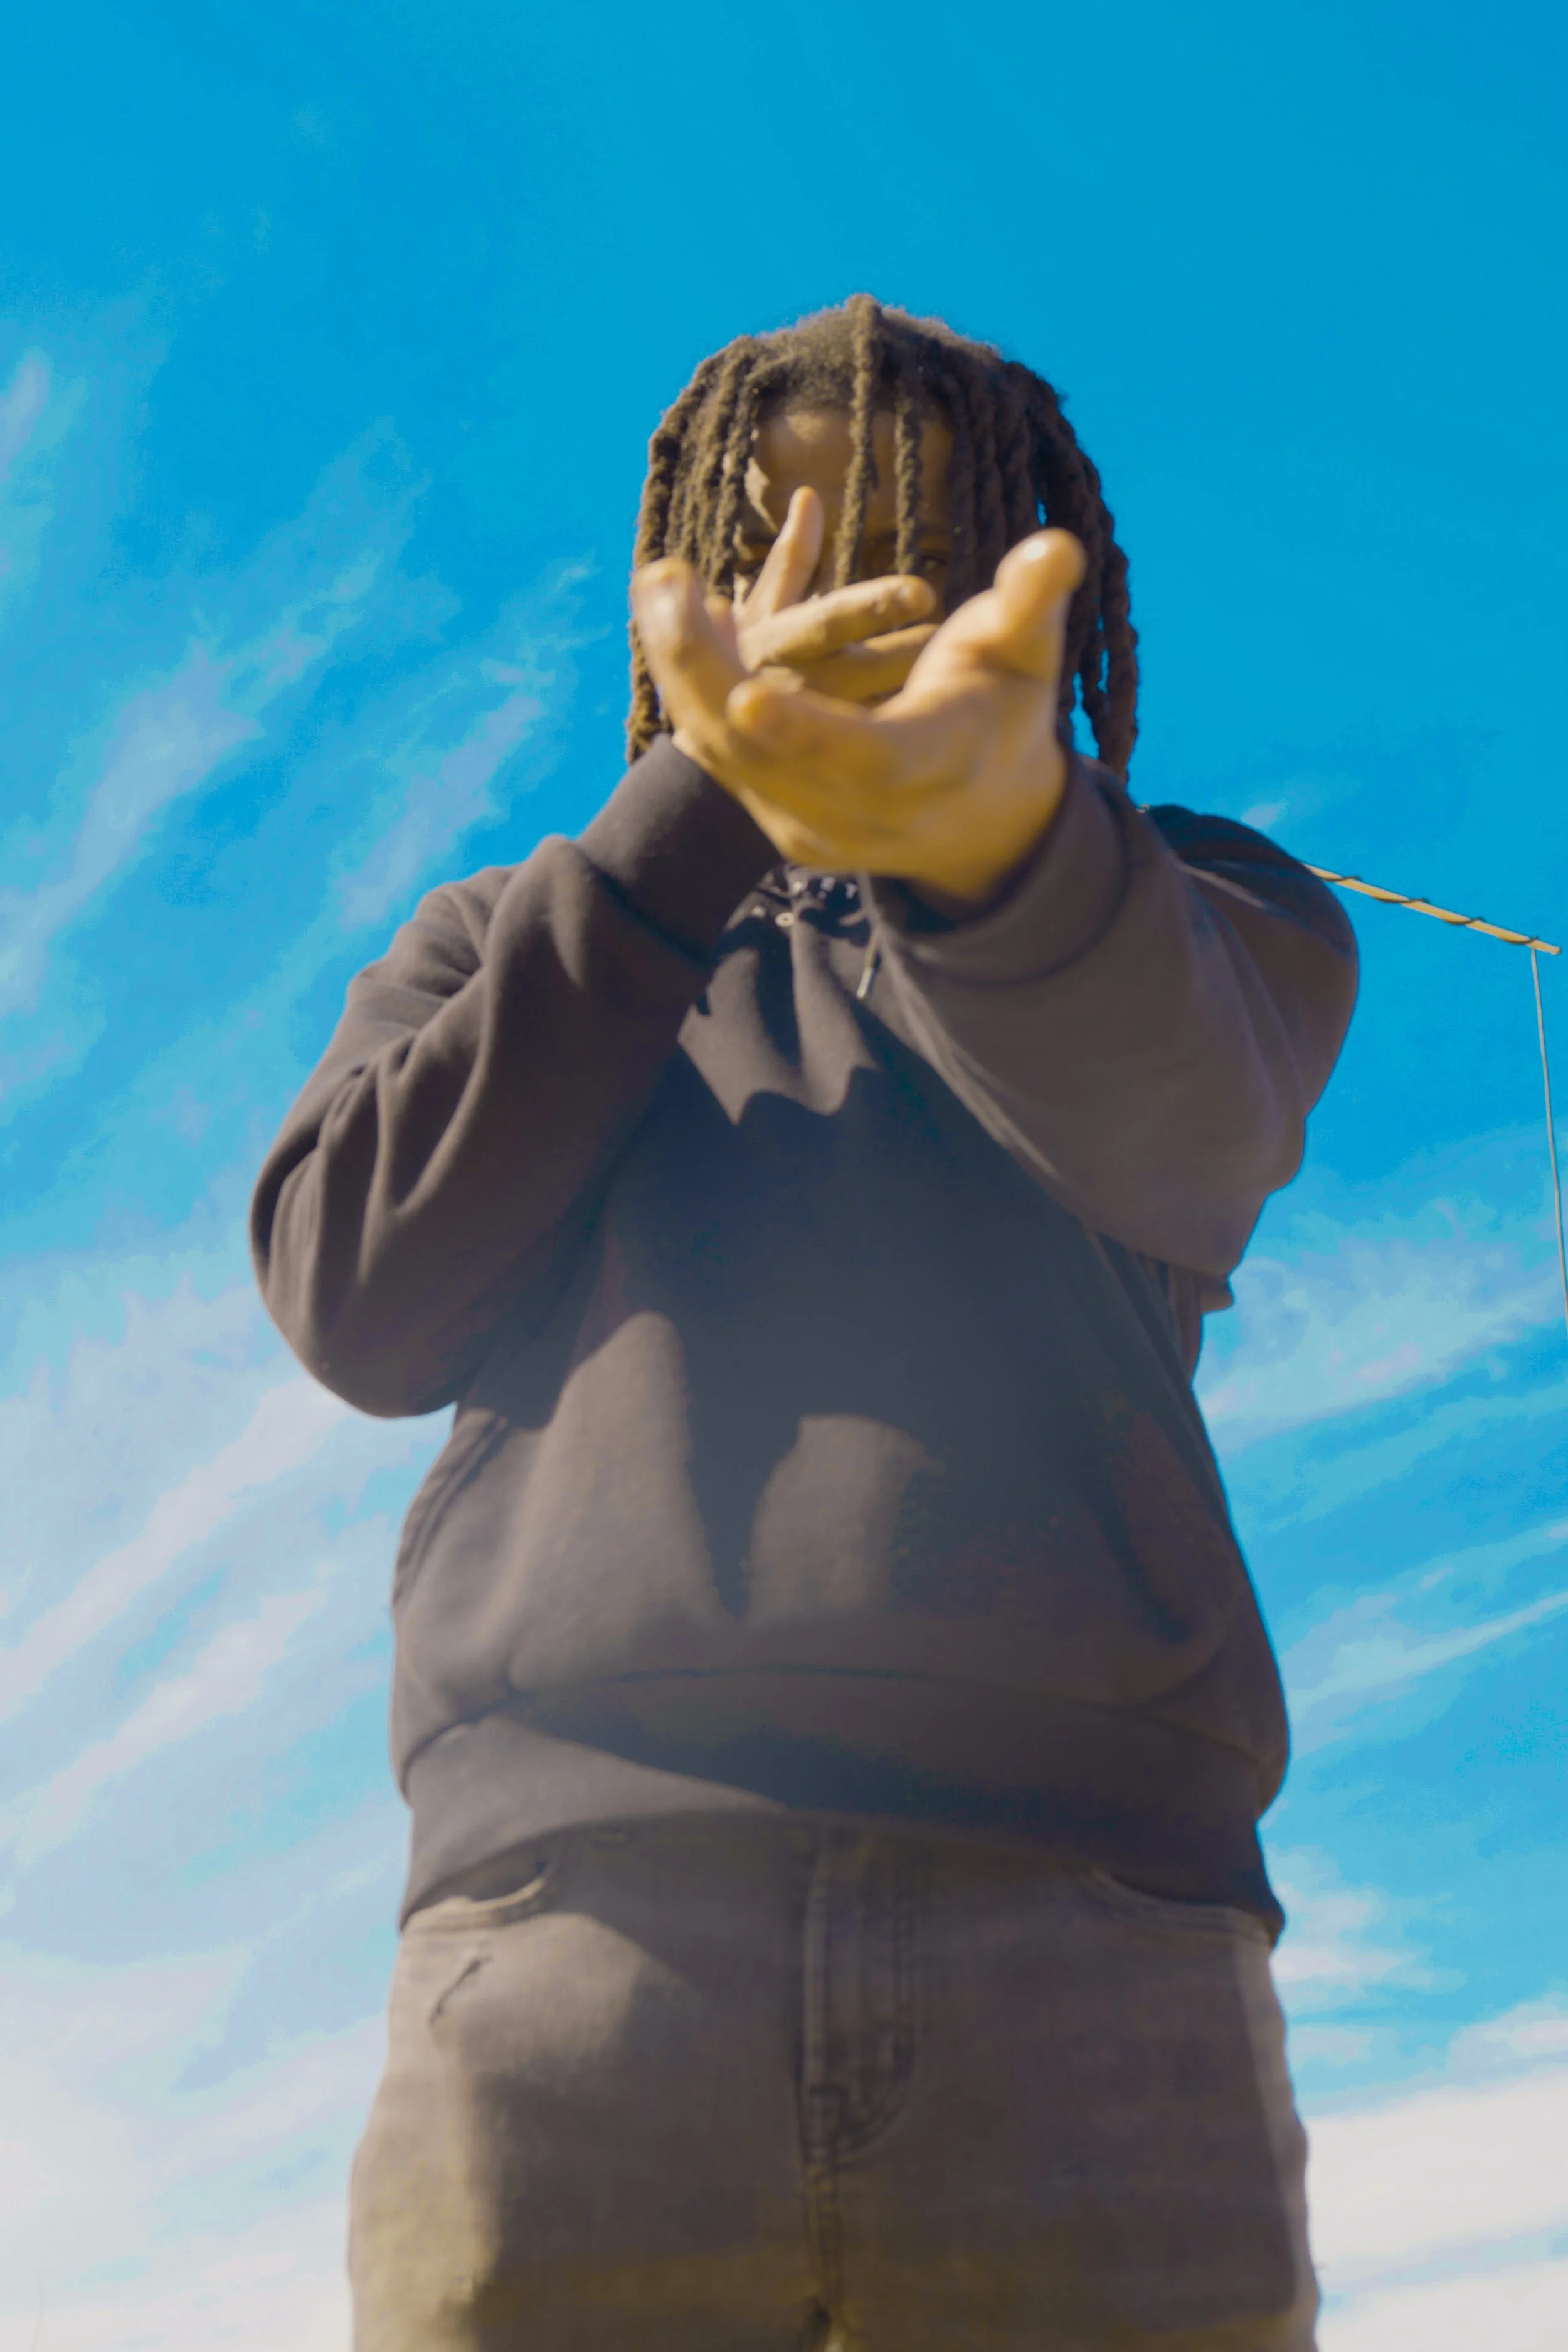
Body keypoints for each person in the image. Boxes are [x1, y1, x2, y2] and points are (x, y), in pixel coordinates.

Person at [252, 294, 1359, 2351]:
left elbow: (1190, 1121)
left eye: (907, 523)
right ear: (678, 571)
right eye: (769, 538)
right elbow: (360, 1292)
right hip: (571, 1946)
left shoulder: (1197, 907)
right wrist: (696, 825)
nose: (831, 590)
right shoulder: (506, 934)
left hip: (1097, 1964)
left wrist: (987, 846)